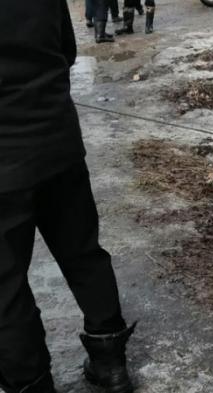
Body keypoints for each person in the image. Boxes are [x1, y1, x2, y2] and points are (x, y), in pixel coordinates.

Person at [0, 2, 135, 393]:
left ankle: (31, 382)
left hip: (9, 166)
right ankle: (111, 366)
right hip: (58, 144)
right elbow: (67, 49)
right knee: (83, 253)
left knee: (5, 286)